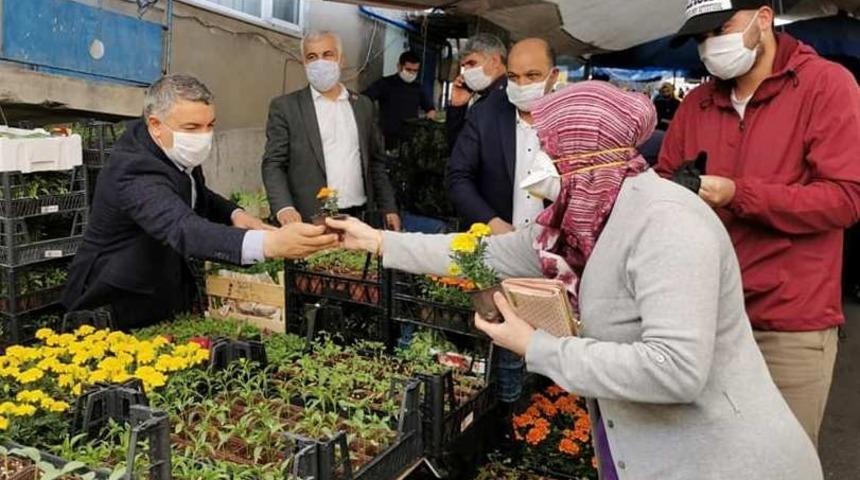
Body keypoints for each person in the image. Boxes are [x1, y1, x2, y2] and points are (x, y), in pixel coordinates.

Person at [329, 81, 822, 480]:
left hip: (722, 459)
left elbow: (675, 370)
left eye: (549, 151)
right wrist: (377, 242)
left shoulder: (670, 225)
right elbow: (481, 252)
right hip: (647, 449)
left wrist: (535, 345)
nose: (540, 166)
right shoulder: (575, 223)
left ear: (584, 155)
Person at [658, 0, 860, 447]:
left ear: (763, 18)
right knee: (703, 459)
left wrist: (738, 194)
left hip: (788, 325)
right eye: (701, 37)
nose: (711, 45)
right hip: (703, 320)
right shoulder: (697, 104)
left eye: (720, 29)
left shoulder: (826, 86)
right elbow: (664, 184)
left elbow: (845, 199)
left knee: (779, 458)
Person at [62, 74, 339, 330]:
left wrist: (237, 215)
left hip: (159, 285)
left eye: (210, 126)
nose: (203, 137)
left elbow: (198, 193)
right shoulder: (134, 169)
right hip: (114, 302)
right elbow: (183, 228)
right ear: (155, 124)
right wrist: (270, 244)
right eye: (192, 127)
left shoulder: (173, 149)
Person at [261, 31, 400, 230]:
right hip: (309, 218)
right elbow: (273, 163)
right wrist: (284, 207)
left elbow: (376, 162)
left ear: (341, 60)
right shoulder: (286, 107)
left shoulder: (363, 106)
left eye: (328, 54)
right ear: (304, 63)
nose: (320, 62)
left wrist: (388, 207)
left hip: (359, 217)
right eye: (312, 57)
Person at [447, 37, 559, 236]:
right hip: (497, 245)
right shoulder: (485, 113)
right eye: (513, 77)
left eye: (532, 75)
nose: (522, 84)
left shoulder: (574, 120)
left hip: (553, 249)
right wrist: (491, 222)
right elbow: (458, 175)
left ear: (553, 76)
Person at [363, 51, 437, 151]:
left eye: (415, 71)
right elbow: (364, 98)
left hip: (410, 140)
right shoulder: (385, 84)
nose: (411, 73)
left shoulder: (418, 88)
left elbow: (430, 110)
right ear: (399, 66)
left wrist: (427, 125)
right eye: (408, 69)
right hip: (387, 139)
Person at [446, 33, 508, 150]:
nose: (467, 71)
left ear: (495, 61)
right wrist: (458, 107)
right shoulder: (485, 99)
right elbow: (460, 148)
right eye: (465, 66)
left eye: (472, 63)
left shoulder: (509, 97)